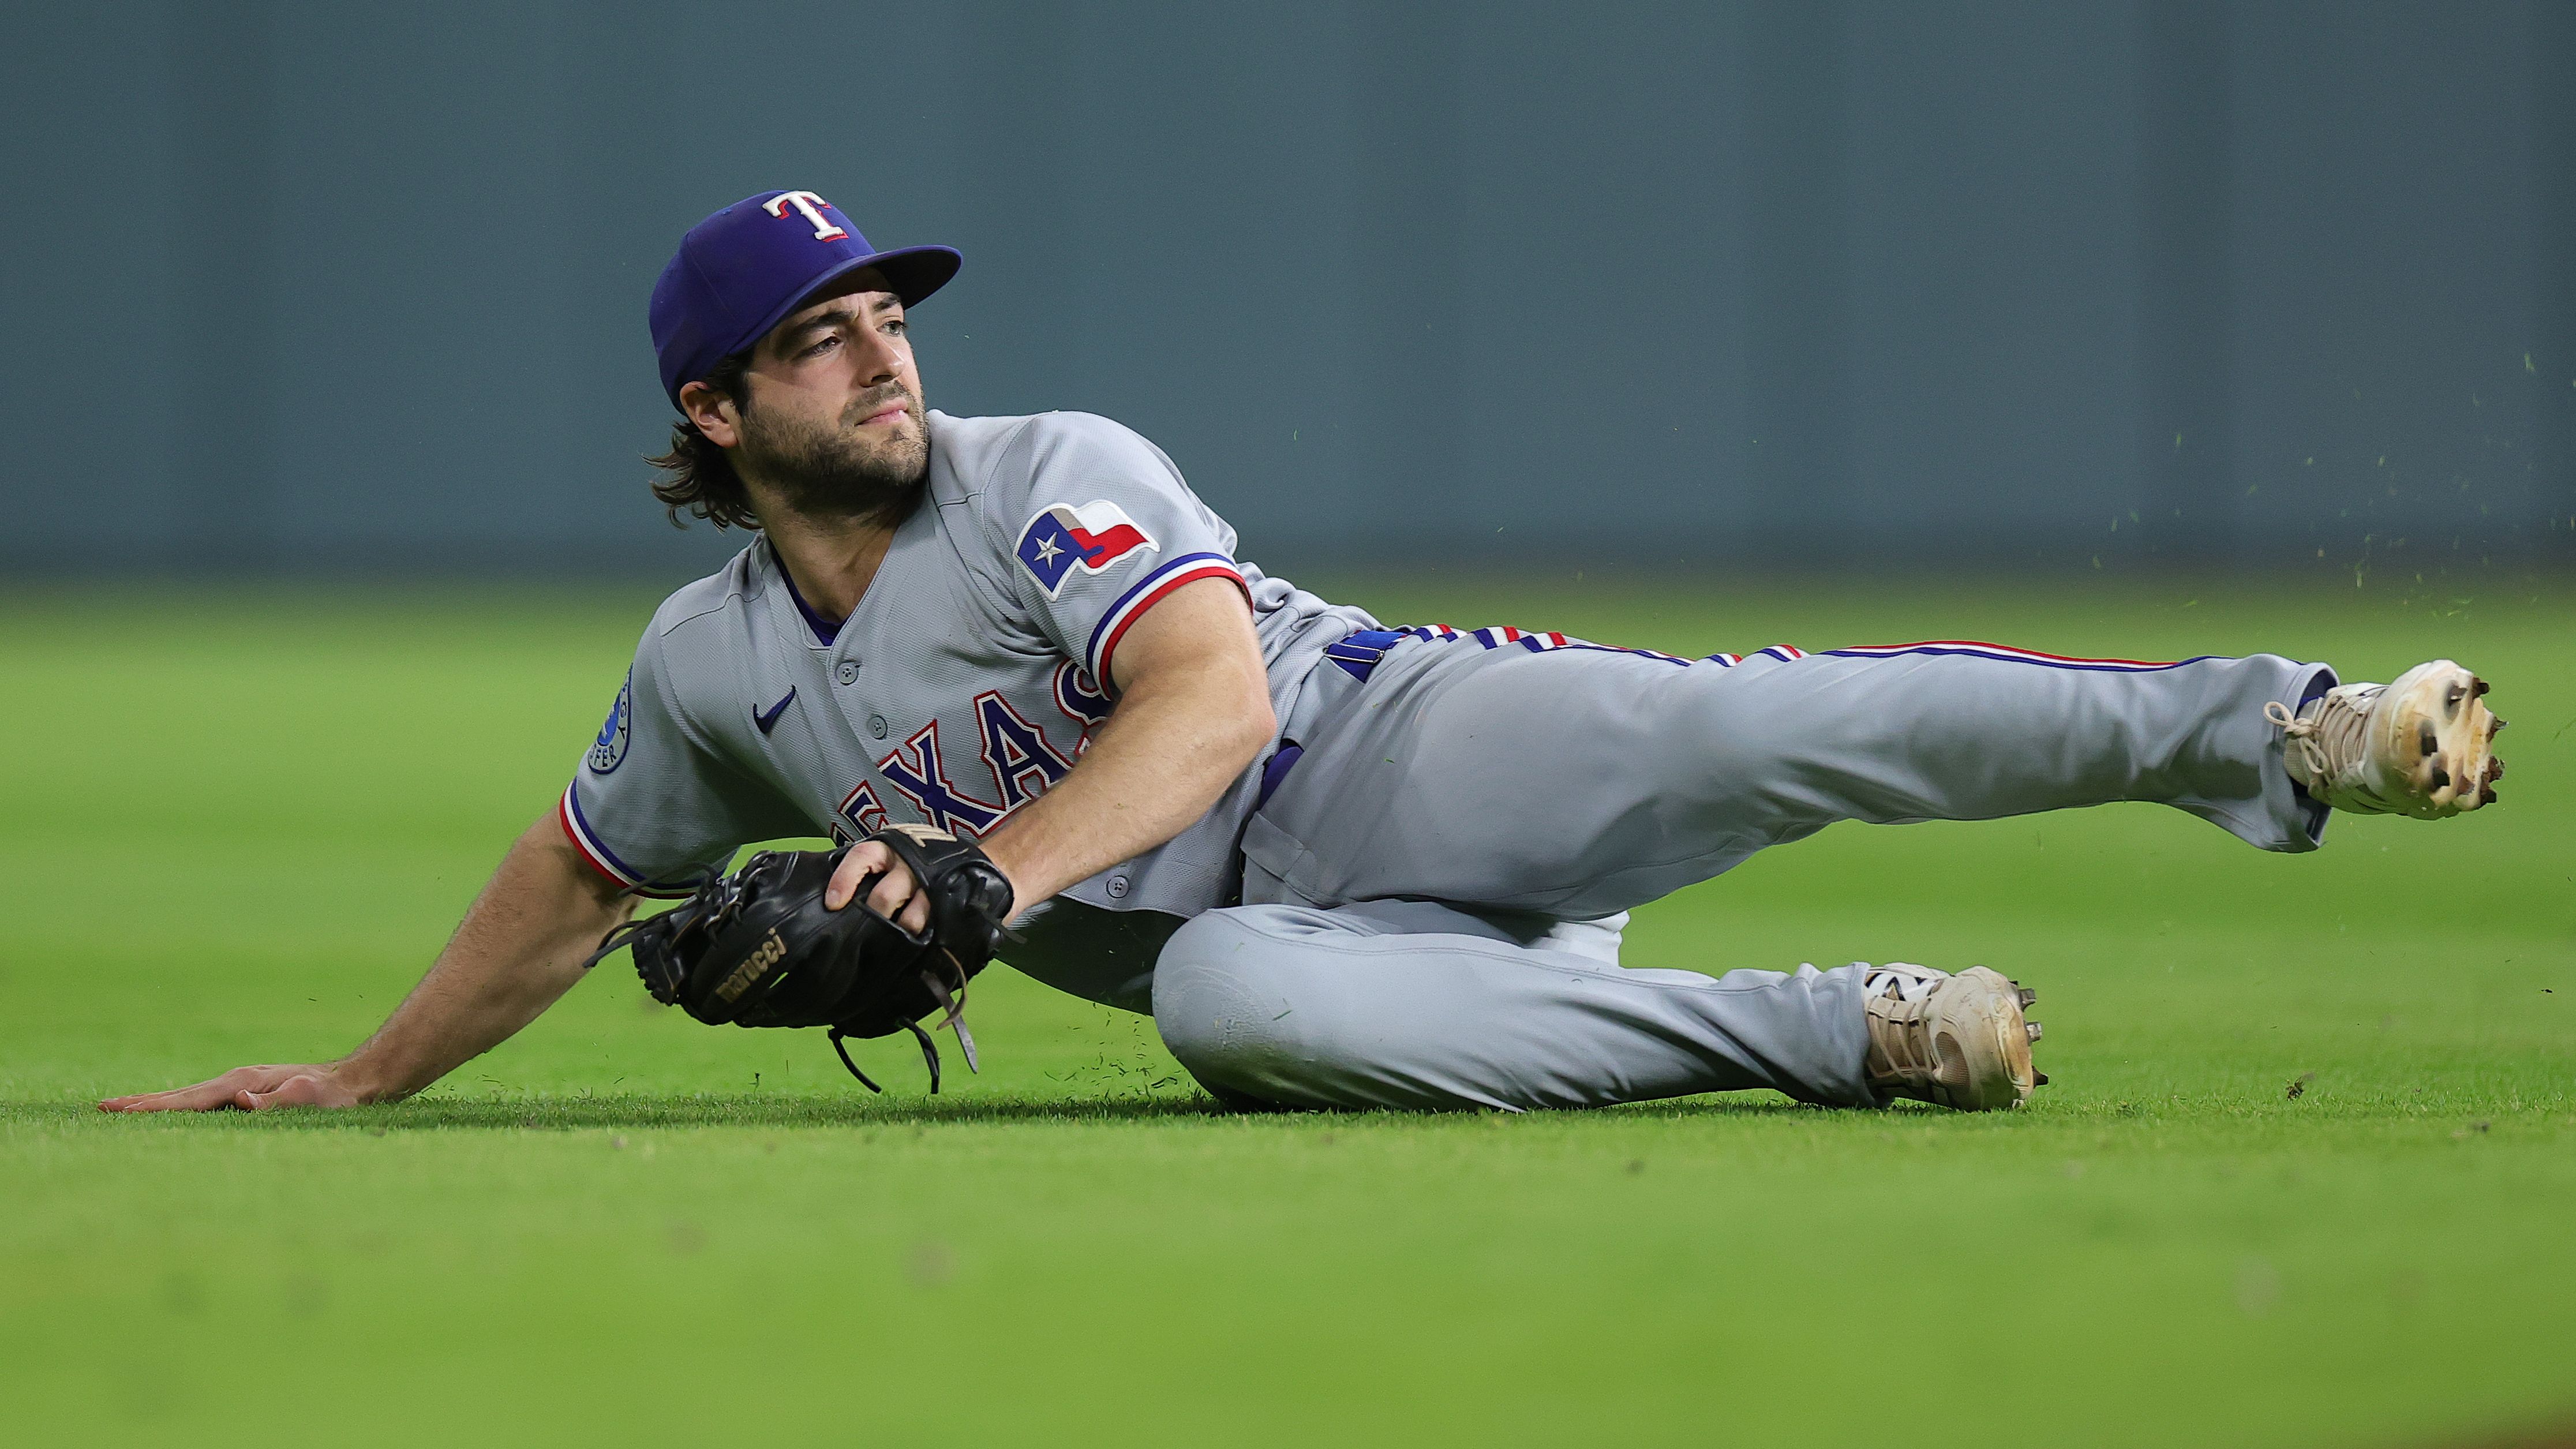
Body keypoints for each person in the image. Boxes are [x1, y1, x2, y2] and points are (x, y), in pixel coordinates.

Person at [101, 190, 2506, 1119]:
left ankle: (2281, 728)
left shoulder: (1042, 466)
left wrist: (995, 881)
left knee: (1755, 729)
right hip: (1302, 945)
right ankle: (1845, 1032)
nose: (881, 351)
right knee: (1235, 1011)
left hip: (1391, 745)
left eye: (885, 313)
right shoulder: (713, 664)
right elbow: (579, 862)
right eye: (818, 338)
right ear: (716, 414)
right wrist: (368, 1074)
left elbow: (1219, 699)